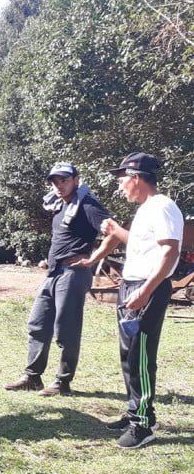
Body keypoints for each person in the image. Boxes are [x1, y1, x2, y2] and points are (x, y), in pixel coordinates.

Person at [73, 152, 183, 449]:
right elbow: (139, 243)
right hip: (133, 286)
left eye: (123, 181)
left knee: (141, 356)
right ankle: (137, 411)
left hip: (147, 288)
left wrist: (146, 291)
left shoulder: (162, 207)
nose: (120, 188)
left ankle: (143, 425)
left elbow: (169, 252)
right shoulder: (147, 209)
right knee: (128, 354)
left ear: (136, 178)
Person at [3, 162, 116, 397]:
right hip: (54, 273)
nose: (58, 185)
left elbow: (114, 232)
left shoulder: (87, 204)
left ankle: (62, 382)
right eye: (55, 181)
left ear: (76, 179)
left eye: (64, 180)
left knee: (66, 329)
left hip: (73, 274)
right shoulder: (61, 206)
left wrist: (93, 258)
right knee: (37, 324)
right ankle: (32, 378)